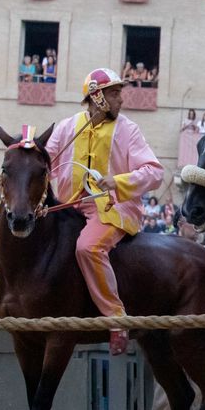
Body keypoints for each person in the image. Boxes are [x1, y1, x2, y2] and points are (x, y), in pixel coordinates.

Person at [43, 68, 164, 355]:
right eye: (114, 93)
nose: (121, 99)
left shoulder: (128, 129)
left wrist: (118, 181)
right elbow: (45, 162)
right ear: (96, 97)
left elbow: (155, 173)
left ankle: (116, 319)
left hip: (113, 208)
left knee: (88, 248)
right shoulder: (66, 127)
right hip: (67, 207)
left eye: (119, 93)